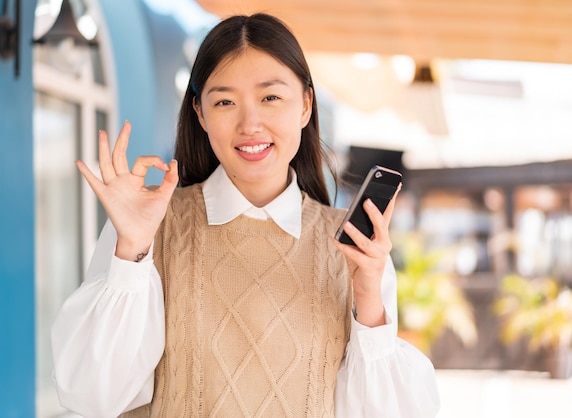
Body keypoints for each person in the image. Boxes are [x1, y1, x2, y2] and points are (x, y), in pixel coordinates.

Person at [51, 13, 440, 418]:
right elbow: (92, 397)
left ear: (306, 105)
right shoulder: (151, 225)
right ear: (200, 114)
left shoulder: (355, 247)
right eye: (224, 102)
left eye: (270, 97)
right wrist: (131, 249)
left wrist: (368, 299)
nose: (249, 123)